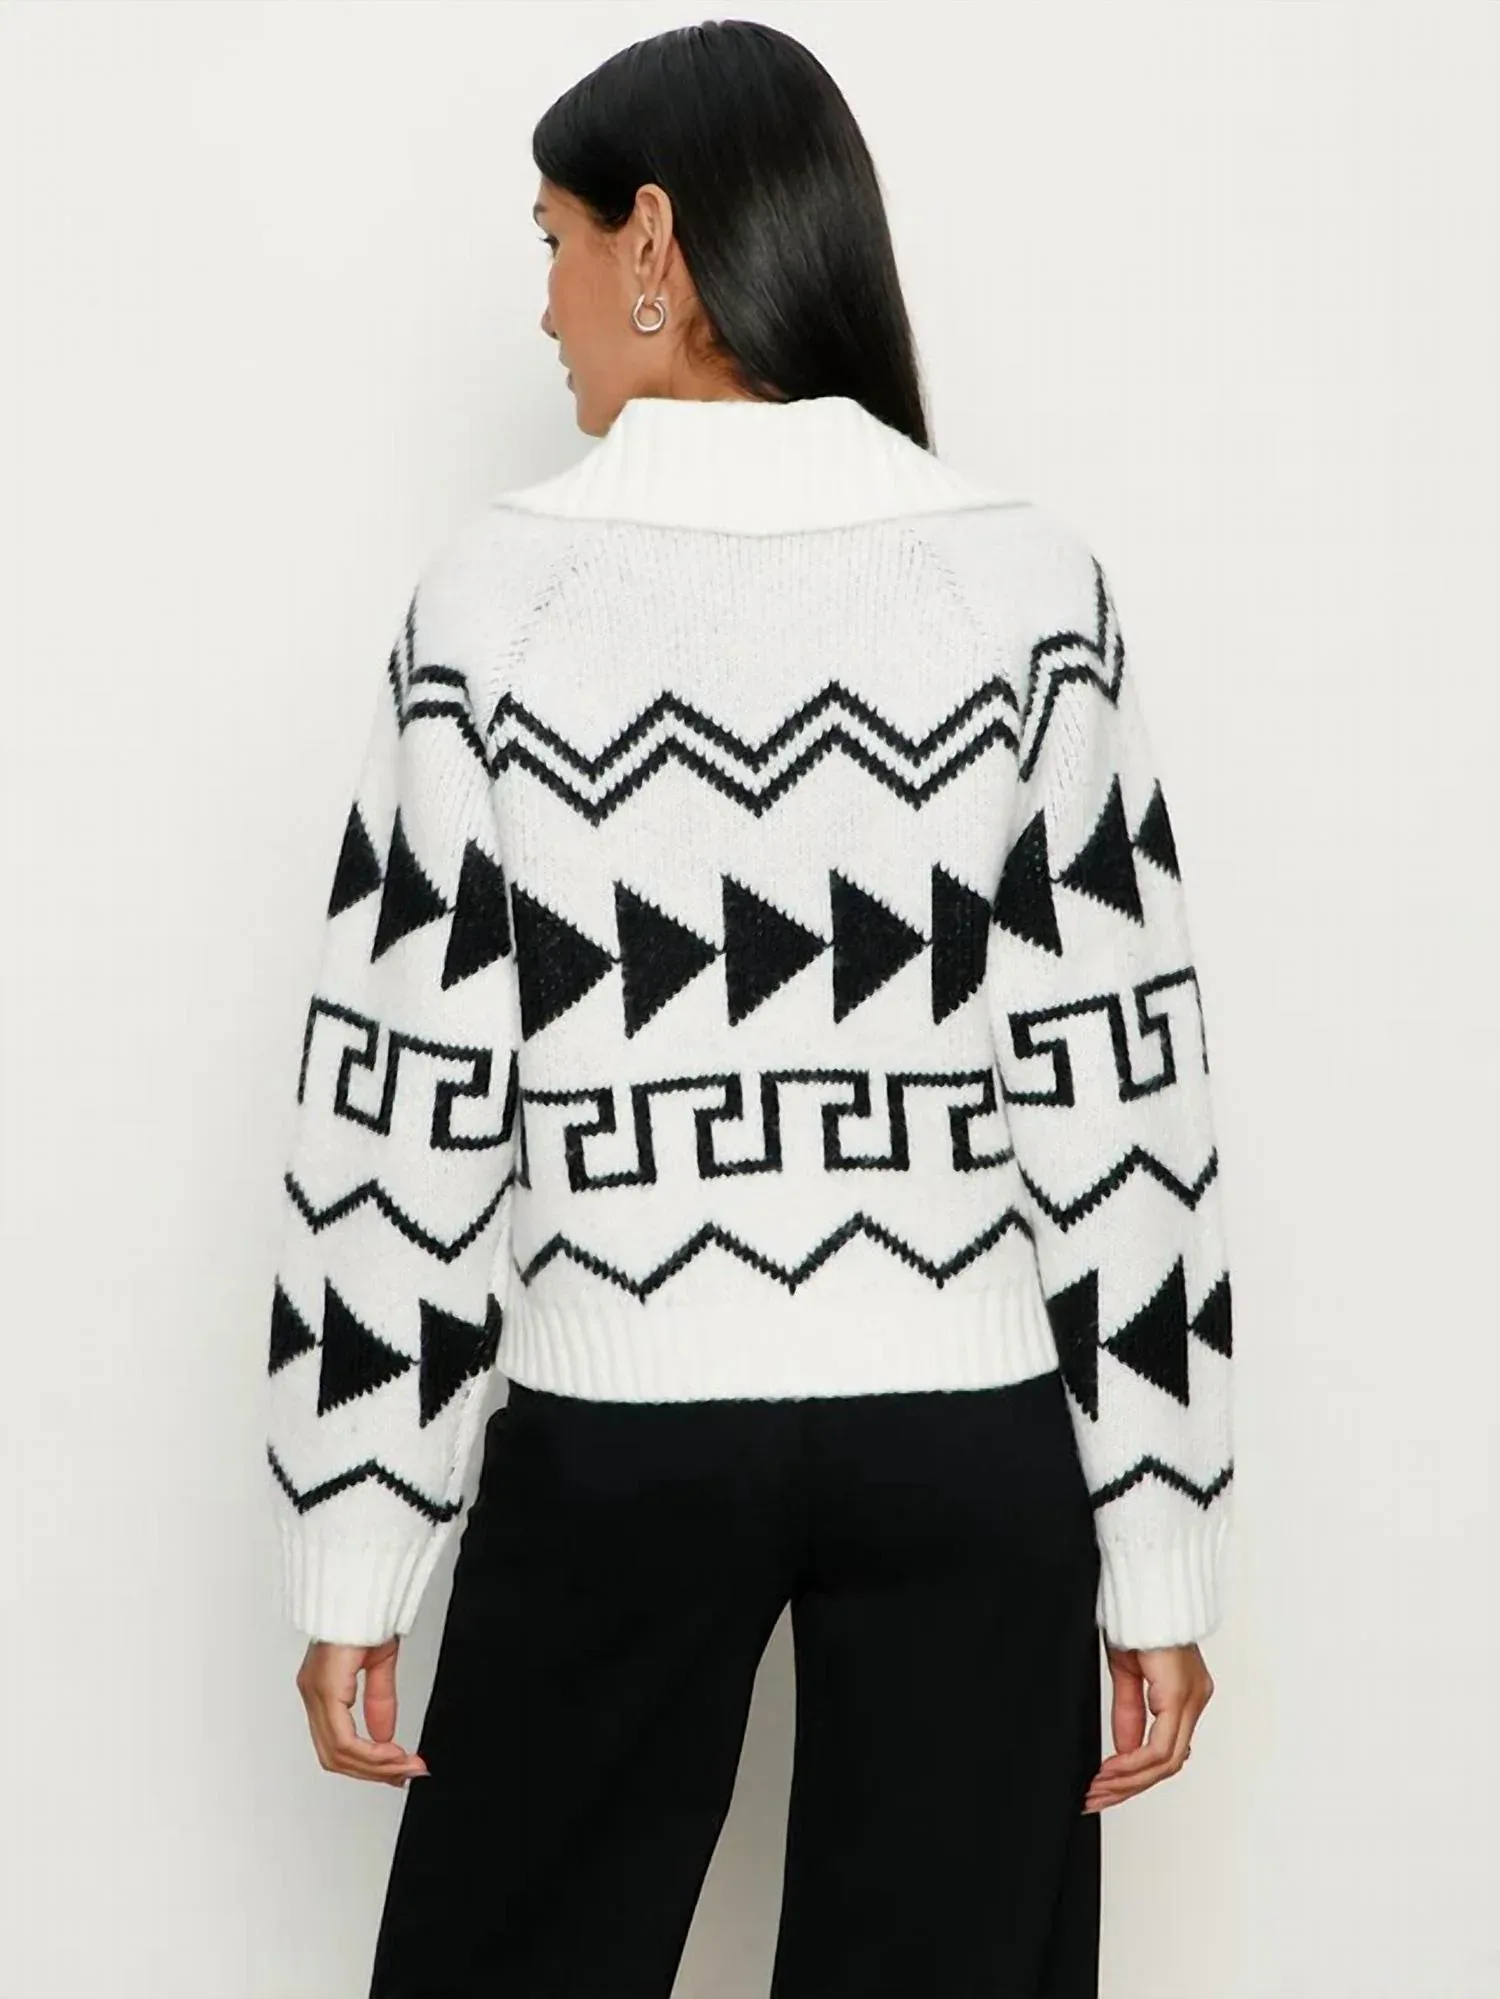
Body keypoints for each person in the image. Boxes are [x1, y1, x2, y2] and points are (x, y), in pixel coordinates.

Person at [264, 19, 1232, 1998]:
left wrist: (361, 1525)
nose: (541, 304)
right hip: (972, 1442)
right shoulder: (1027, 588)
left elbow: (408, 1096)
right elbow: (1121, 1096)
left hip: (618, 1433)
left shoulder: (497, 601)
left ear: (654, 240)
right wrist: (1159, 1541)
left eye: (552, 241)